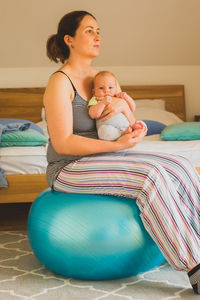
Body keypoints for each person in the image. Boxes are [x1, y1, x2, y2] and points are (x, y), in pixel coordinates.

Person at [44, 10, 200, 294]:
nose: (98, 36)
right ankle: (195, 265)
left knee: (181, 164)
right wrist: (117, 146)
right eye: (89, 30)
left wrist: (131, 127)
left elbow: (122, 116)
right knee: (151, 176)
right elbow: (63, 142)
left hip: (105, 157)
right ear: (69, 39)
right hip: (69, 167)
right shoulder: (60, 82)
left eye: (98, 30)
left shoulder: (101, 79)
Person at [88, 70, 146, 141]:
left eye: (110, 87)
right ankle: (122, 134)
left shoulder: (118, 97)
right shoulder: (96, 99)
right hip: (111, 129)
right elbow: (93, 114)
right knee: (103, 132)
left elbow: (132, 108)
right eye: (101, 88)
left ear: (116, 89)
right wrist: (102, 103)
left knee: (142, 124)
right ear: (94, 92)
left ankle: (132, 131)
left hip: (127, 126)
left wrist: (126, 98)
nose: (106, 90)